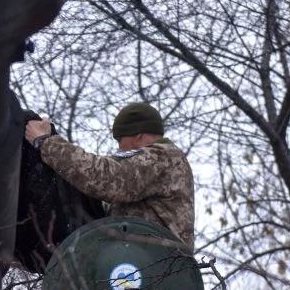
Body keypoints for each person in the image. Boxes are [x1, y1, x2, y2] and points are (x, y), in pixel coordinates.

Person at [23, 102, 194, 249]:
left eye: (120, 141)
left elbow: (107, 179)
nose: (119, 149)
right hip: (141, 266)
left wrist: (46, 142)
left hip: (155, 268)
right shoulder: (160, 163)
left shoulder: (163, 157)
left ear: (139, 136)